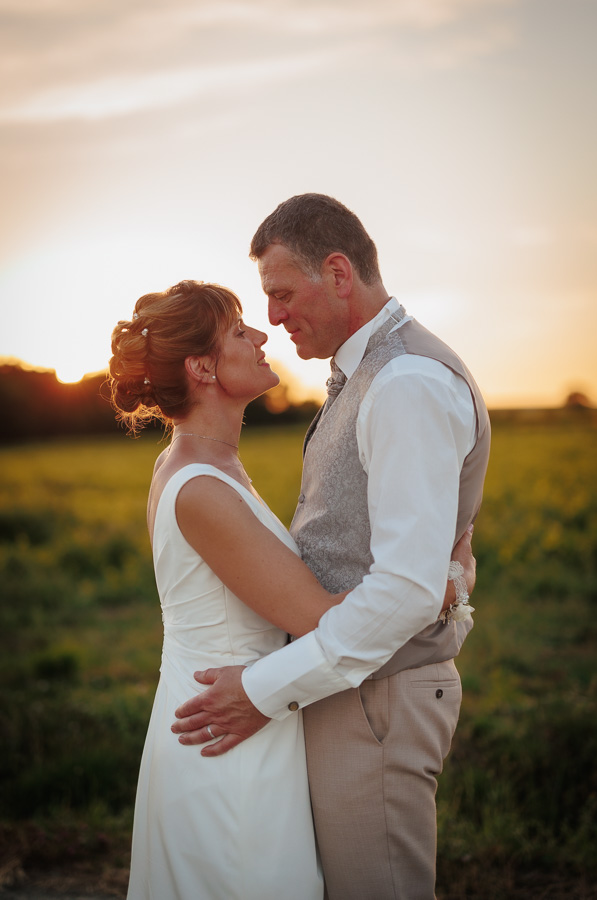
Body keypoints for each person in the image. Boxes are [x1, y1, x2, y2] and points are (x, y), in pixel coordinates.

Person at [110, 277, 475, 900]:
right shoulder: (201, 487)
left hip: (245, 716)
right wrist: (446, 578)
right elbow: (321, 617)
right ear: (202, 368)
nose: (261, 335)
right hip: (228, 736)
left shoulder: (209, 464)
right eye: (238, 331)